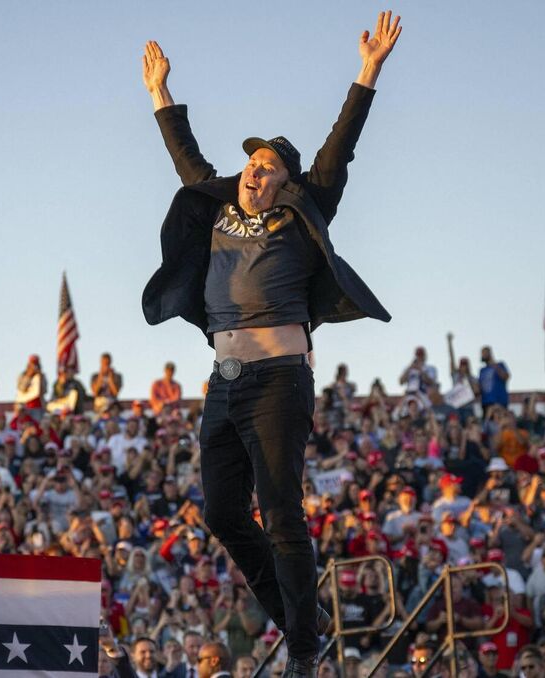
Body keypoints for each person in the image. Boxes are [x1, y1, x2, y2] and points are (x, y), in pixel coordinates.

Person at [139, 12, 401, 676]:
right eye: (254, 163)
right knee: (223, 511)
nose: (258, 172)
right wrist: (160, 94)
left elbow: (339, 148)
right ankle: (298, 620)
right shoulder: (221, 206)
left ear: (286, 181)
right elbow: (185, 159)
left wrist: (367, 71)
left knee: (281, 509)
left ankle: (305, 653)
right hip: (223, 384)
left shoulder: (302, 209)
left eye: (271, 167)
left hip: (279, 378)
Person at [478, 345, 511, 413]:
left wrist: (494, 364)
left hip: (499, 401)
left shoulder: (500, 364)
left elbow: (506, 377)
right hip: (486, 403)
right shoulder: (482, 370)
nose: (482, 355)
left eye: (484, 353)